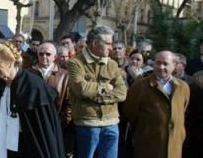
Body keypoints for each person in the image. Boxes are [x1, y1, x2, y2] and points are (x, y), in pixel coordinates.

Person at [0, 43, 65, 158]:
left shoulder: (34, 86)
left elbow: (43, 130)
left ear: (10, 61)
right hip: (2, 146)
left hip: (29, 147)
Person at [67, 25, 127, 158]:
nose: (111, 47)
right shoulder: (75, 63)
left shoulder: (112, 64)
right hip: (88, 123)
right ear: (94, 43)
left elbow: (122, 93)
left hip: (112, 123)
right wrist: (107, 88)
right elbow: (80, 89)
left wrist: (96, 95)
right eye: (108, 44)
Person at [123, 51, 190, 158]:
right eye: (157, 63)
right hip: (149, 145)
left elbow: (183, 110)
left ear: (174, 66)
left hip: (174, 146)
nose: (161, 67)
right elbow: (130, 112)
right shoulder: (140, 86)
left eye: (165, 63)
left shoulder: (183, 87)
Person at [28, 42, 74, 157]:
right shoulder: (28, 73)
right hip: (34, 123)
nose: (44, 57)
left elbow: (69, 102)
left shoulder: (65, 75)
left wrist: (62, 122)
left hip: (56, 122)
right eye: (41, 54)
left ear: (55, 57)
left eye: (48, 54)